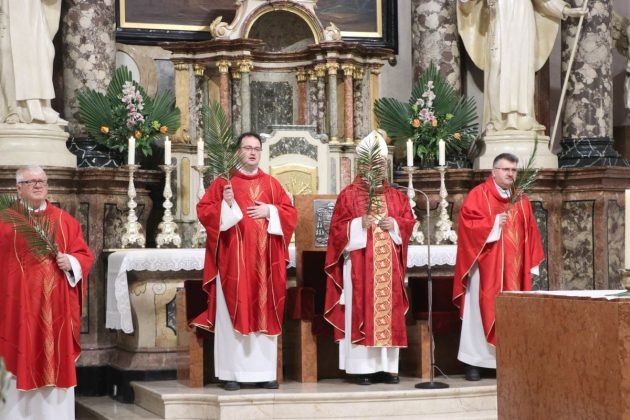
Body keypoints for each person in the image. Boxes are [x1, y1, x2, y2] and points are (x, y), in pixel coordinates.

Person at [192, 132, 297, 391]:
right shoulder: (224, 182)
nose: (252, 152)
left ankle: (265, 373)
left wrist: (270, 210)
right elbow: (204, 212)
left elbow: (290, 214)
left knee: (264, 309)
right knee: (233, 309)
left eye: (256, 149)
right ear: (238, 151)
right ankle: (232, 373)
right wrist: (226, 205)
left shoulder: (272, 184)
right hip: (233, 263)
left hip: (265, 264)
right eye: (247, 148)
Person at [0, 166, 94, 419]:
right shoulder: (5, 222)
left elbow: (84, 255)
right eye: (31, 181)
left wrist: (71, 262)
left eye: (42, 180)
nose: (38, 185)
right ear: (18, 188)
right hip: (16, 309)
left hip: (55, 313)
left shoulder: (65, 221)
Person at [324, 131, 415, 385]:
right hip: (360, 267)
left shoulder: (397, 196)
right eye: (371, 162)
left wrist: (395, 224)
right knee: (360, 311)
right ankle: (362, 369)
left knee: (388, 314)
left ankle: (387, 368)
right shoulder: (349, 195)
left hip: (389, 270)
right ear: (361, 164)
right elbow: (336, 232)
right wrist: (357, 225)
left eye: (380, 163)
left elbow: (408, 223)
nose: (376, 167)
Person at [452, 153, 544, 381]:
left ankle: (506, 360)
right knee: (479, 313)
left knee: (510, 313)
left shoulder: (521, 198)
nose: (510, 174)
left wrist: (530, 264)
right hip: (485, 268)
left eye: (514, 170)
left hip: (514, 270)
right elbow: (467, 226)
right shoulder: (478, 195)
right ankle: (474, 363)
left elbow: (531, 231)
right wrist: (493, 224)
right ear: (493, 172)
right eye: (506, 169)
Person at [457, 0, 586, 132]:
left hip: (523, 15)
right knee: (497, 66)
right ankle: (497, 119)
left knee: (524, 66)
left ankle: (524, 117)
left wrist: (565, 10)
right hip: (500, 15)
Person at [0, 0, 65, 124]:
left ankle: (36, 107)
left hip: (31, 13)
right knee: (10, 54)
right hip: (8, 13)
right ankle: (14, 109)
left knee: (41, 51)